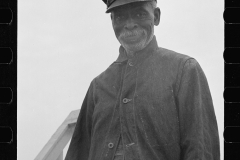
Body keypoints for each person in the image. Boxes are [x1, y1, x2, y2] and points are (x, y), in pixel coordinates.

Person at [65, 0, 220, 159]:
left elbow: (201, 150)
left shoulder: (185, 70)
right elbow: (77, 154)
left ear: (156, 16)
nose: (129, 25)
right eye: (120, 17)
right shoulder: (98, 86)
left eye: (139, 14)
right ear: (112, 21)